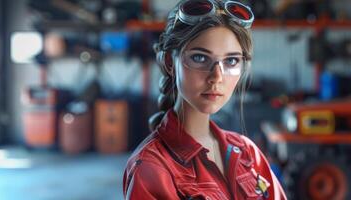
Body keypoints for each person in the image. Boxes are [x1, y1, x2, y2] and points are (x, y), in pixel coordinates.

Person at [123, 0, 287, 199]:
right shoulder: (152, 167)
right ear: (169, 62)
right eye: (200, 58)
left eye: (231, 60)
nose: (217, 77)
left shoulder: (247, 153)